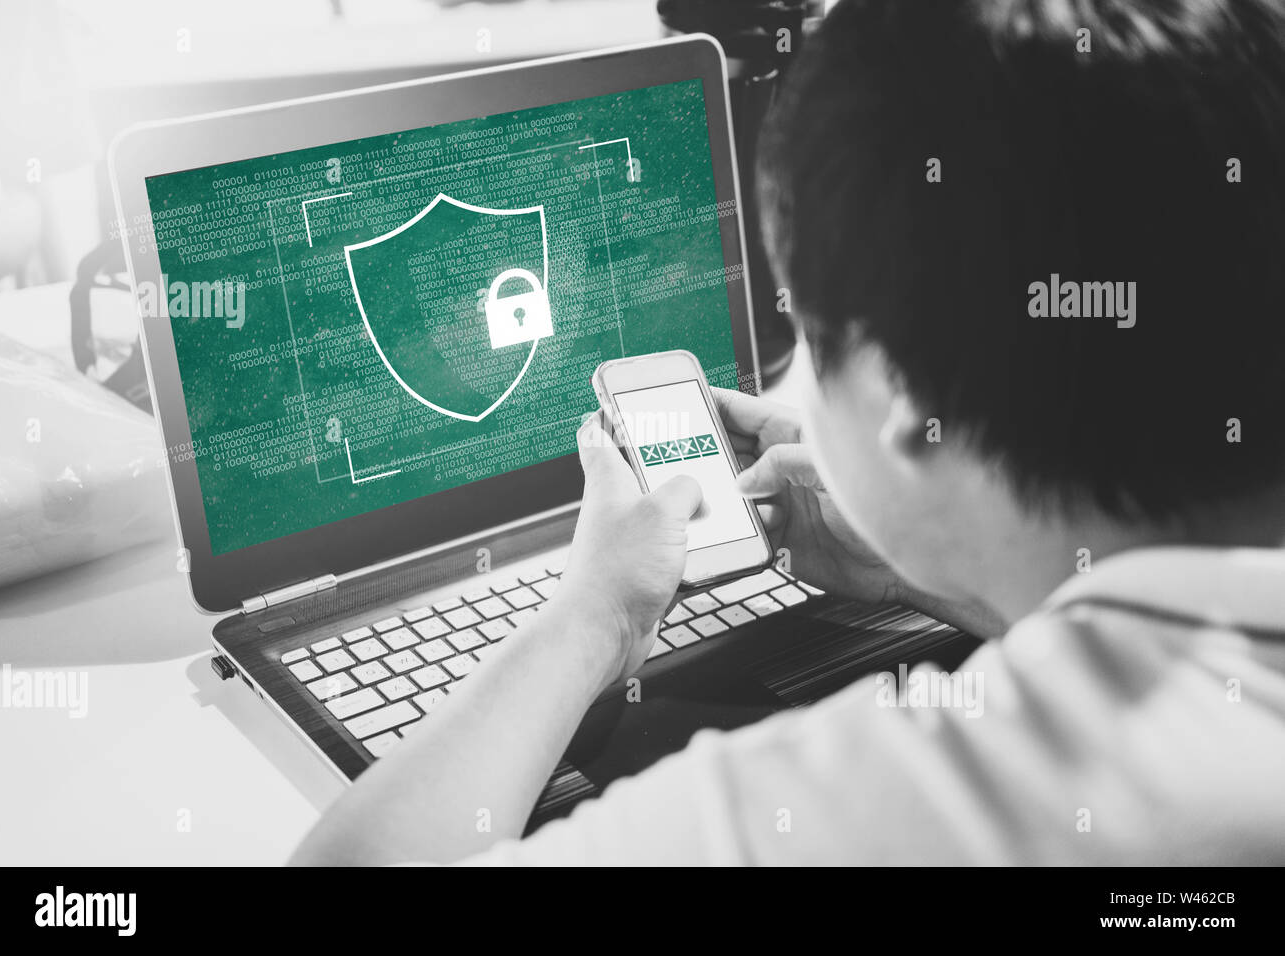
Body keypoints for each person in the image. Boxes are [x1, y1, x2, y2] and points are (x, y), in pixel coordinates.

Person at [291, 0, 1285, 865]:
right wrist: (939, 565)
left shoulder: (889, 806)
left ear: (901, 399)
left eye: (805, 332)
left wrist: (591, 617)